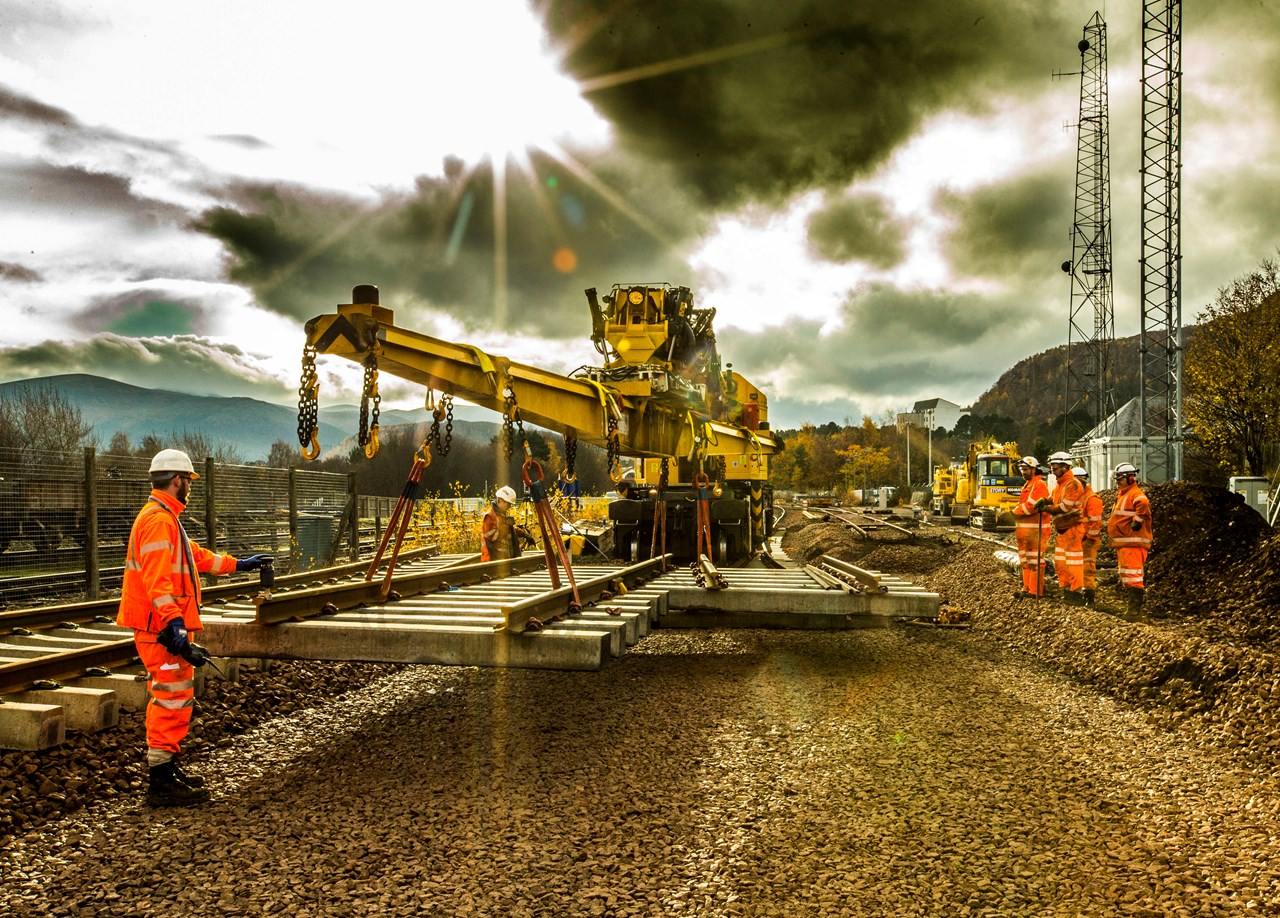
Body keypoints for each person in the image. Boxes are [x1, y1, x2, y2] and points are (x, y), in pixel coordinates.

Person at [116, 449, 271, 807]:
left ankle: (167, 769)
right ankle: (160, 782)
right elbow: (157, 582)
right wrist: (175, 625)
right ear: (177, 480)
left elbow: (195, 556)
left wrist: (239, 565)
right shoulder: (158, 521)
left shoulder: (165, 517)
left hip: (161, 626)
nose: (190, 486)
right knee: (170, 697)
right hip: (160, 628)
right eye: (188, 480)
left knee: (175, 696)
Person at [1038, 452, 1088, 604]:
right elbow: (1054, 498)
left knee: (1073, 564)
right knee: (1061, 563)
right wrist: (1045, 500)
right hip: (1062, 530)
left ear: (1065, 467)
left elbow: (1065, 507)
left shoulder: (1072, 484)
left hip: (1072, 529)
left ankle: (1076, 593)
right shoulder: (1060, 485)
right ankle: (1066, 591)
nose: (1053, 471)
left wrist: (1047, 509)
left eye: (1055, 468)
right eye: (1052, 468)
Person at [1107, 462, 1153, 620]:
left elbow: (1144, 505)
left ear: (1130, 478)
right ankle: (1132, 609)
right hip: (1125, 542)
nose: (1117, 482)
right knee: (1127, 576)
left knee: (1133, 577)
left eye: (1120, 479)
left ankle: (1134, 611)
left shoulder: (1135, 494)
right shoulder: (1123, 494)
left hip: (1133, 543)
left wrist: (1137, 521)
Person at [1011, 456, 1051, 598]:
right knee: (1026, 561)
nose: (1023, 472)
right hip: (1026, 531)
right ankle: (1027, 588)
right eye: (1022, 469)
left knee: (1035, 561)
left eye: (1026, 469)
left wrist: (1014, 512)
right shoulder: (1028, 485)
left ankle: (1035, 591)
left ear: (1034, 470)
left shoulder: (1038, 485)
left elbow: (1031, 506)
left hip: (1036, 531)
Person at [1074, 467, 1104, 608]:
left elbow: (1095, 522)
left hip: (1087, 541)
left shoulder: (1091, 499)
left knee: (1087, 569)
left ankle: (1089, 597)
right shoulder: (1077, 497)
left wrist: (1089, 538)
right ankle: (1078, 594)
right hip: (1077, 539)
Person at [481, 485, 531, 561]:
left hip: (504, 560)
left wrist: (524, 534)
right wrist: (507, 525)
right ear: (500, 501)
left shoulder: (502, 515)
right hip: (492, 561)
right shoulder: (489, 516)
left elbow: (509, 531)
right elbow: (492, 536)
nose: (509, 506)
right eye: (508, 503)